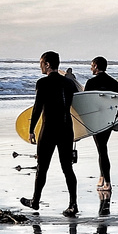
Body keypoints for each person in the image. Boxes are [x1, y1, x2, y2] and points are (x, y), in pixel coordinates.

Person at [21, 51, 79, 217]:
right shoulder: (69, 84)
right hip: (67, 128)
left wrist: (31, 130)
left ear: (47, 64)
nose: (40, 66)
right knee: (67, 168)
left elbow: (38, 107)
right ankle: (73, 204)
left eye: (41, 63)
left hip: (49, 129)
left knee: (42, 168)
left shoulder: (43, 83)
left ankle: (35, 201)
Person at [85, 56, 118, 194]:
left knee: (102, 149)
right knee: (102, 148)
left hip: (96, 120)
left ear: (96, 66)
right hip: (109, 119)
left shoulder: (91, 82)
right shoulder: (114, 82)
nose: (91, 68)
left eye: (92, 65)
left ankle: (107, 182)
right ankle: (102, 176)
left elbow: (85, 103)